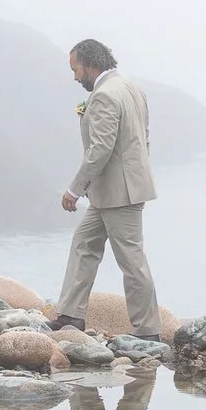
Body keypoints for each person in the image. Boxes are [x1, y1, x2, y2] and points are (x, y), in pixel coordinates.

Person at [50, 38, 160, 338]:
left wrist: (74, 189)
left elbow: (100, 150)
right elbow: (143, 138)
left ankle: (148, 330)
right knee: (84, 244)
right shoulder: (131, 87)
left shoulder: (104, 96)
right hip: (114, 191)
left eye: (76, 70)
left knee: (131, 261)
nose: (75, 77)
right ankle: (71, 315)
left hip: (119, 195)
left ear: (89, 64)